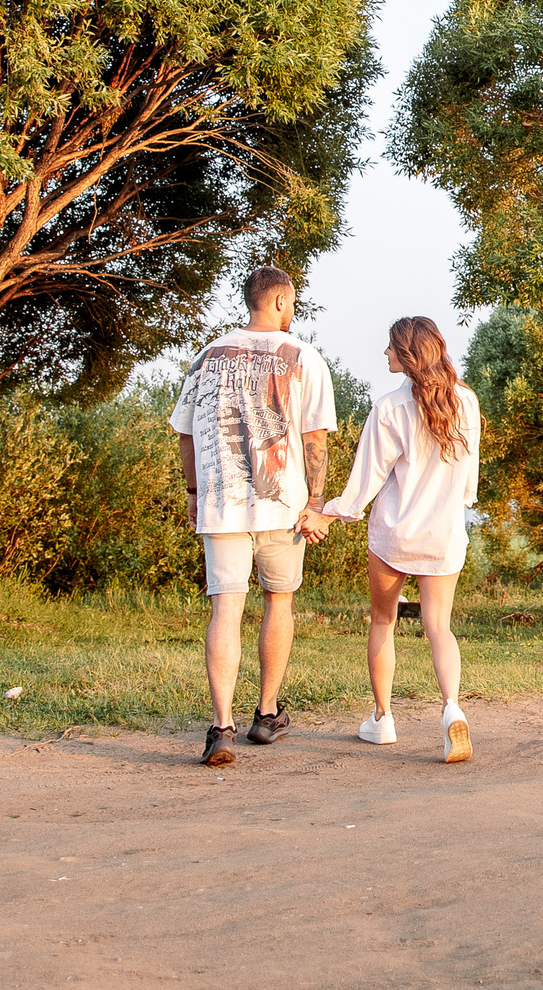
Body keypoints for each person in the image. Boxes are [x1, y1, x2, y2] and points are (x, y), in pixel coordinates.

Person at [171, 266, 339, 767]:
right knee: (279, 603)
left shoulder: (207, 356)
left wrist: (194, 490)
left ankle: (221, 728)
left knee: (225, 609)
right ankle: (266, 715)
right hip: (282, 504)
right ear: (283, 302)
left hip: (221, 504)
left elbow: (185, 433)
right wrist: (315, 502)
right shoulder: (305, 357)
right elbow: (315, 439)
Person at [305, 316, 483, 763]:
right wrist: (459, 501)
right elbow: (468, 482)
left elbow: (366, 480)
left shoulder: (389, 407)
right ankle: (451, 709)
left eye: (389, 349)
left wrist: (327, 515)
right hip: (444, 536)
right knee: (438, 626)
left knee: (382, 623)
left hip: (394, 537)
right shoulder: (467, 401)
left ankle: (383, 719)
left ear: (406, 356)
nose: (384, 355)